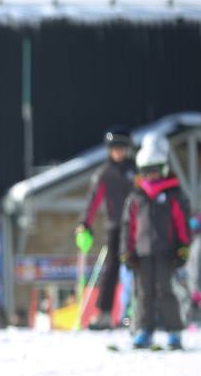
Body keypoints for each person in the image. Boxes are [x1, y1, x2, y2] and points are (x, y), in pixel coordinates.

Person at [120, 133, 191, 350]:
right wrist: (126, 251)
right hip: (141, 253)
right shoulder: (136, 197)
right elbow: (128, 226)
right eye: (147, 170)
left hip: (165, 252)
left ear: (163, 168)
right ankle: (144, 330)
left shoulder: (172, 195)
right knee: (143, 293)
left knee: (164, 291)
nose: (151, 174)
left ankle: (174, 331)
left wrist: (183, 246)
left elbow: (181, 222)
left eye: (155, 170)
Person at [77, 127, 136, 330]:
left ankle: (135, 313)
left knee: (137, 267)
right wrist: (85, 223)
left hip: (136, 227)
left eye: (122, 148)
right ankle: (104, 313)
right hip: (115, 227)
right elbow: (93, 200)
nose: (119, 152)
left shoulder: (136, 170)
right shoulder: (104, 173)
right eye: (115, 148)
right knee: (111, 269)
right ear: (110, 150)